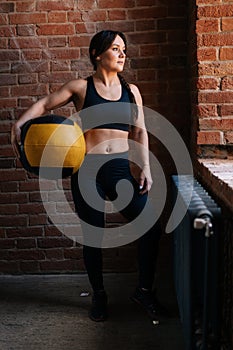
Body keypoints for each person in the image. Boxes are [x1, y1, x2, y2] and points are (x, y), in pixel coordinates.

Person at [11, 30, 162, 323]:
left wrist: (145, 166)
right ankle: (99, 295)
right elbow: (44, 105)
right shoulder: (80, 87)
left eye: (124, 49)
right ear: (97, 53)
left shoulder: (132, 91)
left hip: (119, 168)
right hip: (87, 170)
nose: (122, 54)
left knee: (150, 227)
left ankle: (144, 290)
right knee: (94, 236)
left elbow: (140, 131)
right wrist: (19, 123)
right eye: (115, 48)